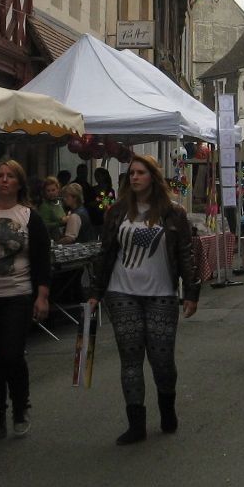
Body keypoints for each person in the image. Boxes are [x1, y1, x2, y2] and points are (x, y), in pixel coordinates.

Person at [87, 154, 200, 445]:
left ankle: (167, 408)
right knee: (131, 359)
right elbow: (106, 252)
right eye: (132, 173)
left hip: (161, 294)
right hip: (121, 292)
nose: (134, 177)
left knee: (162, 359)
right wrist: (96, 293)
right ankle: (135, 423)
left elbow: (186, 254)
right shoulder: (117, 212)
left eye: (140, 172)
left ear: (153, 177)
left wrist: (191, 292)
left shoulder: (173, 212)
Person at [0, 160, 51, 441]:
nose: (4, 180)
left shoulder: (29, 216)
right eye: (0, 176)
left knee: (12, 354)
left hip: (18, 293)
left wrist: (42, 296)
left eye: (10, 176)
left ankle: (20, 406)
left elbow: (42, 259)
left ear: (19, 183)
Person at [38, 177, 68, 242]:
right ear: (44, 192)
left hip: (62, 238)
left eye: (53, 190)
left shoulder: (60, 202)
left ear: (58, 190)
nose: (51, 193)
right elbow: (44, 225)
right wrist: (60, 222)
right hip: (51, 240)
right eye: (48, 191)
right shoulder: (45, 206)